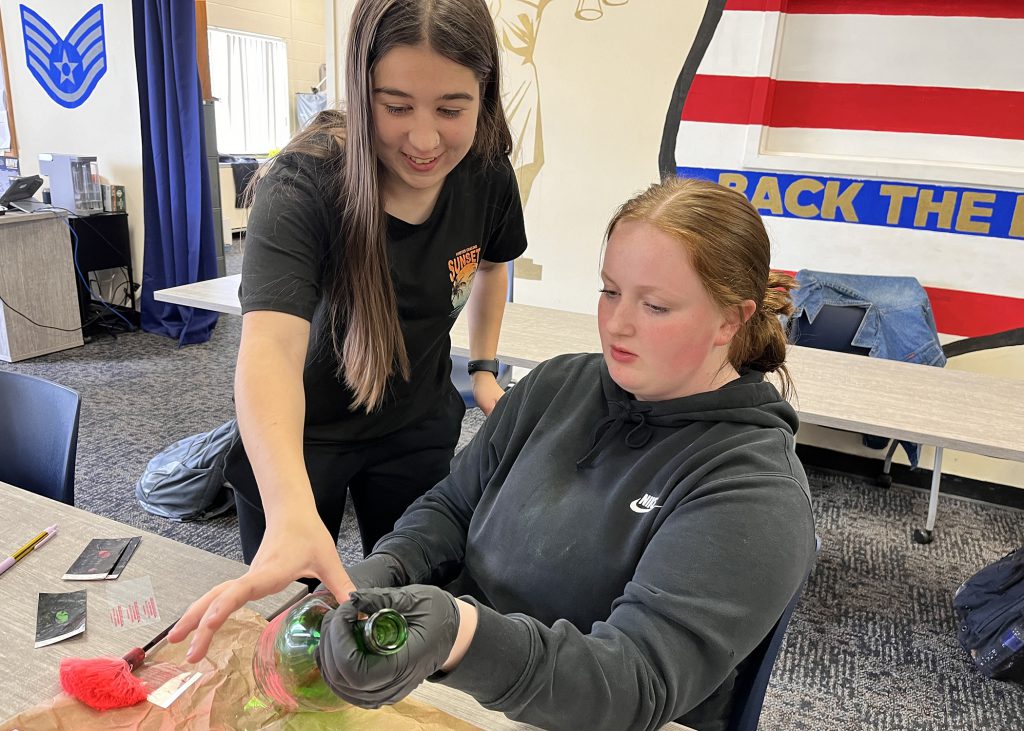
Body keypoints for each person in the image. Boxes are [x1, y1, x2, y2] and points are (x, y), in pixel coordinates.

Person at [310, 177, 817, 731]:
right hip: (461, 686)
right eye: (609, 291)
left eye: (655, 305)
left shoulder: (754, 490)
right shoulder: (556, 385)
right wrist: (389, 567)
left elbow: (633, 685)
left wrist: (461, 636)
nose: (617, 323)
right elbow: (453, 508)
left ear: (731, 320)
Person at [169, 0, 527, 663]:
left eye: (451, 108)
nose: (424, 139)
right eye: (396, 106)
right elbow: (270, 347)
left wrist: (481, 366)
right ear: (361, 91)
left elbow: (494, 264)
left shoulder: (487, 170)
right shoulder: (304, 183)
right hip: (299, 434)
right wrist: (288, 507)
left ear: (485, 95)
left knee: (407, 621)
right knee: (297, 634)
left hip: (416, 423)